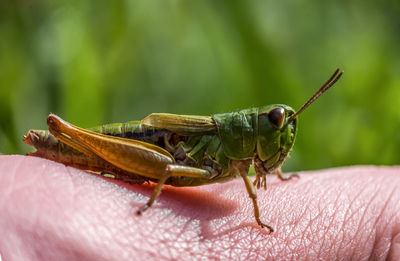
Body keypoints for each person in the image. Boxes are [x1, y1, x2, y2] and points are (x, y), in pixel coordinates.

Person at [0, 155, 399, 260]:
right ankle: (65, 141)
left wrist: (272, 173)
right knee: (169, 167)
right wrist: (257, 216)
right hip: (149, 153)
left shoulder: (244, 160)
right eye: (275, 120)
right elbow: (171, 168)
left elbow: (251, 168)